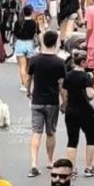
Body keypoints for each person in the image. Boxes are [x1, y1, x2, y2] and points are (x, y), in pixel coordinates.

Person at [26, 30, 67, 177]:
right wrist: (64, 102)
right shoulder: (59, 62)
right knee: (51, 132)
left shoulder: (35, 59)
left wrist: (28, 90)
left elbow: (29, 77)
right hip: (52, 102)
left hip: (37, 100)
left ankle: (33, 163)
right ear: (56, 43)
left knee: (36, 132)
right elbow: (62, 85)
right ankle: (50, 160)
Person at [63, 50, 94, 178]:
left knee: (72, 140)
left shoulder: (68, 75)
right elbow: (90, 95)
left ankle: (72, 169)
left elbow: (64, 92)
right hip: (85, 111)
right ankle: (89, 167)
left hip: (71, 110)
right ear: (83, 62)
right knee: (90, 138)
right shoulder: (86, 77)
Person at [13, 4, 39, 91]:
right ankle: (28, 84)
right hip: (30, 44)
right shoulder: (34, 23)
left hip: (20, 43)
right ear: (31, 12)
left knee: (22, 66)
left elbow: (15, 34)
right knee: (29, 66)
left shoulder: (18, 22)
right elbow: (37, 34)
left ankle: (23, 84)